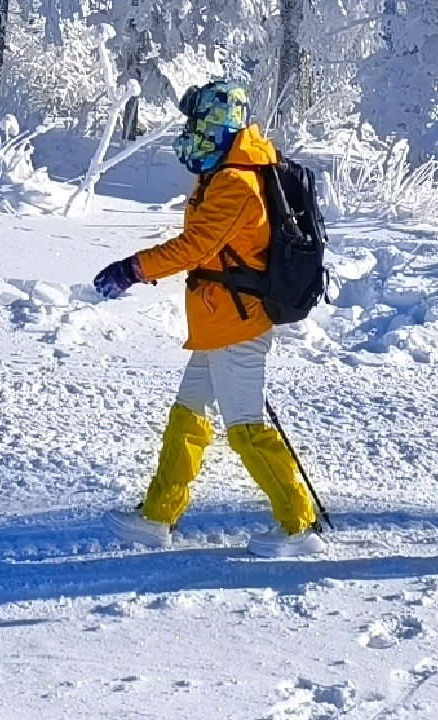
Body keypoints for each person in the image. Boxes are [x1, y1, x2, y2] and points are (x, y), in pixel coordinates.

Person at [93, 80, 319, 551]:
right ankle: (157, 516)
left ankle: (299, 527)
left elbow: (196, 246)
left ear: (217, 128)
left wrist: (133, 269)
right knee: (188, 415)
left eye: (198, 124)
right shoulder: (222, 171)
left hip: (238, 325)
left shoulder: (236, 183)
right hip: (220, 321)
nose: (191, 133)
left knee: (246, 427)